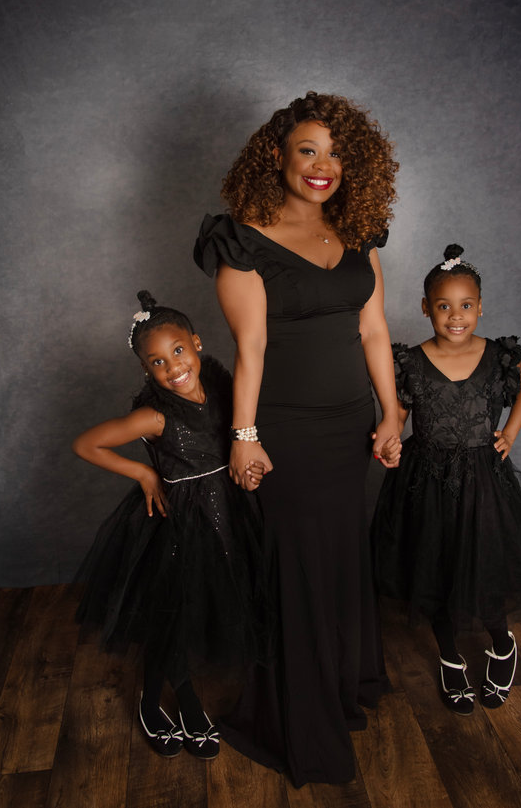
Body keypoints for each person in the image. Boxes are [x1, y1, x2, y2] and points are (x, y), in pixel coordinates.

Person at [194, 91, 401, 786]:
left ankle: (342, 688)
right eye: (307, 149)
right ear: (275, 155)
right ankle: (298, 721)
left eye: (337, 152)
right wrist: (244, 435)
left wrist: (392, 412)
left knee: (341, 557)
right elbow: (248, 348)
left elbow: (374, 331)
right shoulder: (242, 238)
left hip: (349, 428)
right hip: (285, 430)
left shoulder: (359, 230)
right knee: (298, 569)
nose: (323, 165)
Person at [73, 290, 270, 759]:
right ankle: (163, 699)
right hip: (181, 524)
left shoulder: (223, 387)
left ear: (197, 343)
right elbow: (88, 444)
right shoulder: (155, 415)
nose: (172, 367)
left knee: (217, 601)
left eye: (178, 351)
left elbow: (240, 439)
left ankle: (180, 697)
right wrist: (144, 472)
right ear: (147, 371)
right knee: (175, 613)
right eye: (157, 362)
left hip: (231, 511)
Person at [373, 244, 521, 715]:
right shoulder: (410, 362)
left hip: (485, 484)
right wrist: (389, 441)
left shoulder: (498, 357)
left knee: (485, 564)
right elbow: (397, 416)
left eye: (466, 305)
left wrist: (509, 431)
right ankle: (449, 657)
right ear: (426, 308)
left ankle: (502, 643)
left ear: (481, 307)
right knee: (437, 566)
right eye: (444, 306)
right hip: (426, 483)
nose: (455, 316)